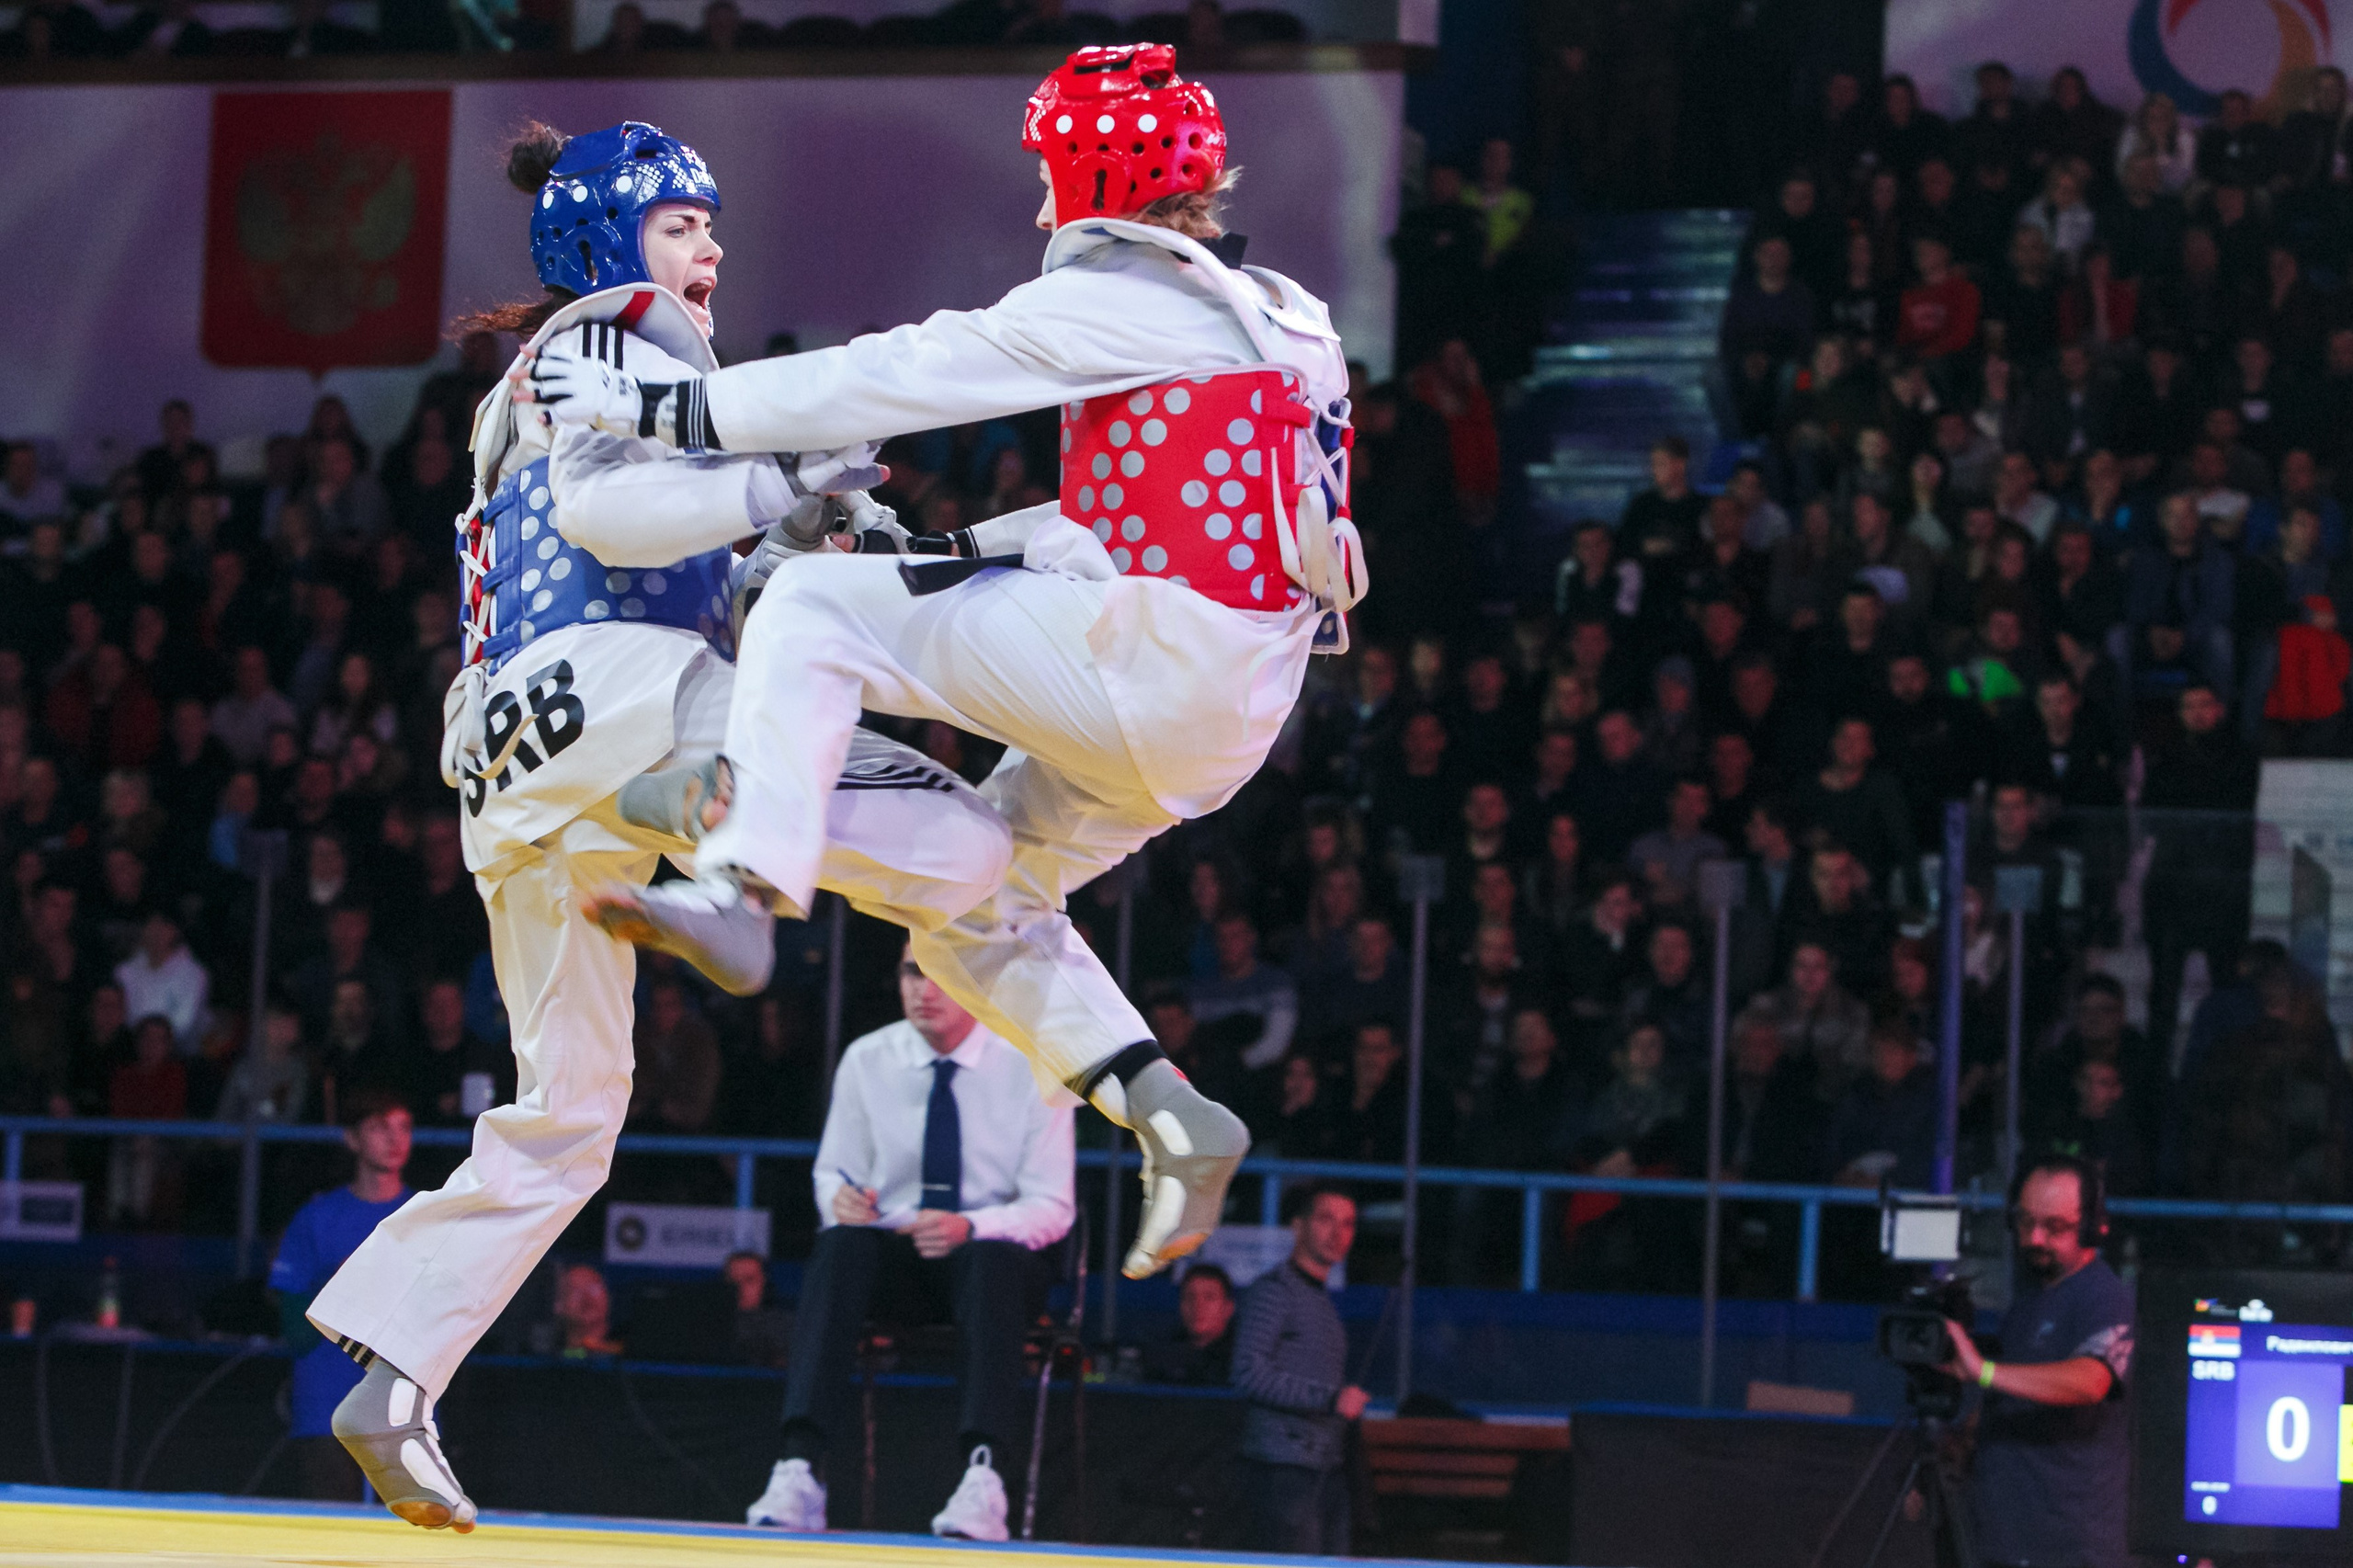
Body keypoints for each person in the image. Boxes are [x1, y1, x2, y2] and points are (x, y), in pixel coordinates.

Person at [541, 46, 1364, 1282]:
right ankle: (1171, 1111)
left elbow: (894, 373)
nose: (1042, 208)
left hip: (1155, 669)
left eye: (1050, 177)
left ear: (1096, 177)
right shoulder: (1291, 318)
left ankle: (743, 882)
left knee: (813, 602)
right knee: (968, 902)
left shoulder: (1127, 299)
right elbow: (1166, 527)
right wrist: (944, 550)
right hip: (1235, 703)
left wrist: (662, 414)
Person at [301, 119, 1017, 1534]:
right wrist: (781, 482)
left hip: (510, 764)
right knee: (947, 834)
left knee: (570, 1112)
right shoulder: (620, 331)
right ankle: (717, 823)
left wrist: (778, 538)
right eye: (686, 224)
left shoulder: (547, 373)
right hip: (613, 698)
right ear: (613, 239)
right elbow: (616, 517)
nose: (712, 250)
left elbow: (651, 544)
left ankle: (393, 1373)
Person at [745, 947, 1074, 1540]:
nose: (924, 987)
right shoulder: (867, 1060)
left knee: (990, 1261)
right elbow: (832, 1176)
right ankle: (799, 1465)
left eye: (942, 972)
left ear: (976, 983)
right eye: (911, 971)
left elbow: (1053, 1208)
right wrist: (841, 1203)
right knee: (839, 1247)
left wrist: (972, 1226)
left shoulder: (1032, 1065)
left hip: (991, 1258)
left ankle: (985, 1475)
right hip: (897, 1247)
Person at [1942, 1155, 2134, 1568]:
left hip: (2068, 1548)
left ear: (2090, 1227)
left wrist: (1985, 1371)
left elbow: (2092, 1380)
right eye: (2026, 1222)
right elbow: (2014, 1395)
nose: (2035, 1238)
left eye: (2055, 1227)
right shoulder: (2030, 1299)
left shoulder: (2103, 1297)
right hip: (2006, 1540)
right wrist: (1961, 1440)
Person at [266, 1090, 415, 1502]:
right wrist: (339, 1281)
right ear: (352, 1140)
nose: (394, 1138)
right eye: (379, 1127)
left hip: (405, 1413)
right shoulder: (317, 1218)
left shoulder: (428, 1216)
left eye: (403, 1127)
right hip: (327, 1408)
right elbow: (295, 1332)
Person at [1233, 1184, 1367, 1554]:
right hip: (1284, 1470)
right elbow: (1248, 1372)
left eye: (1348, 1223)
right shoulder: (1275, 1291)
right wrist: (1330, 1399)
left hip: (1324, 1468)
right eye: (1326, 1220)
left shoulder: (1320, 1301)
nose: (1338, 1233)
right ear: (1298, 1226)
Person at [1142, 1261, 1238, 1384]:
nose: (1198, 1306)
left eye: (1209, 1297)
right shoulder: (1161, 1355)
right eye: (1189, 1297)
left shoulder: (1243, 1360)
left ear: (1228, 1307)